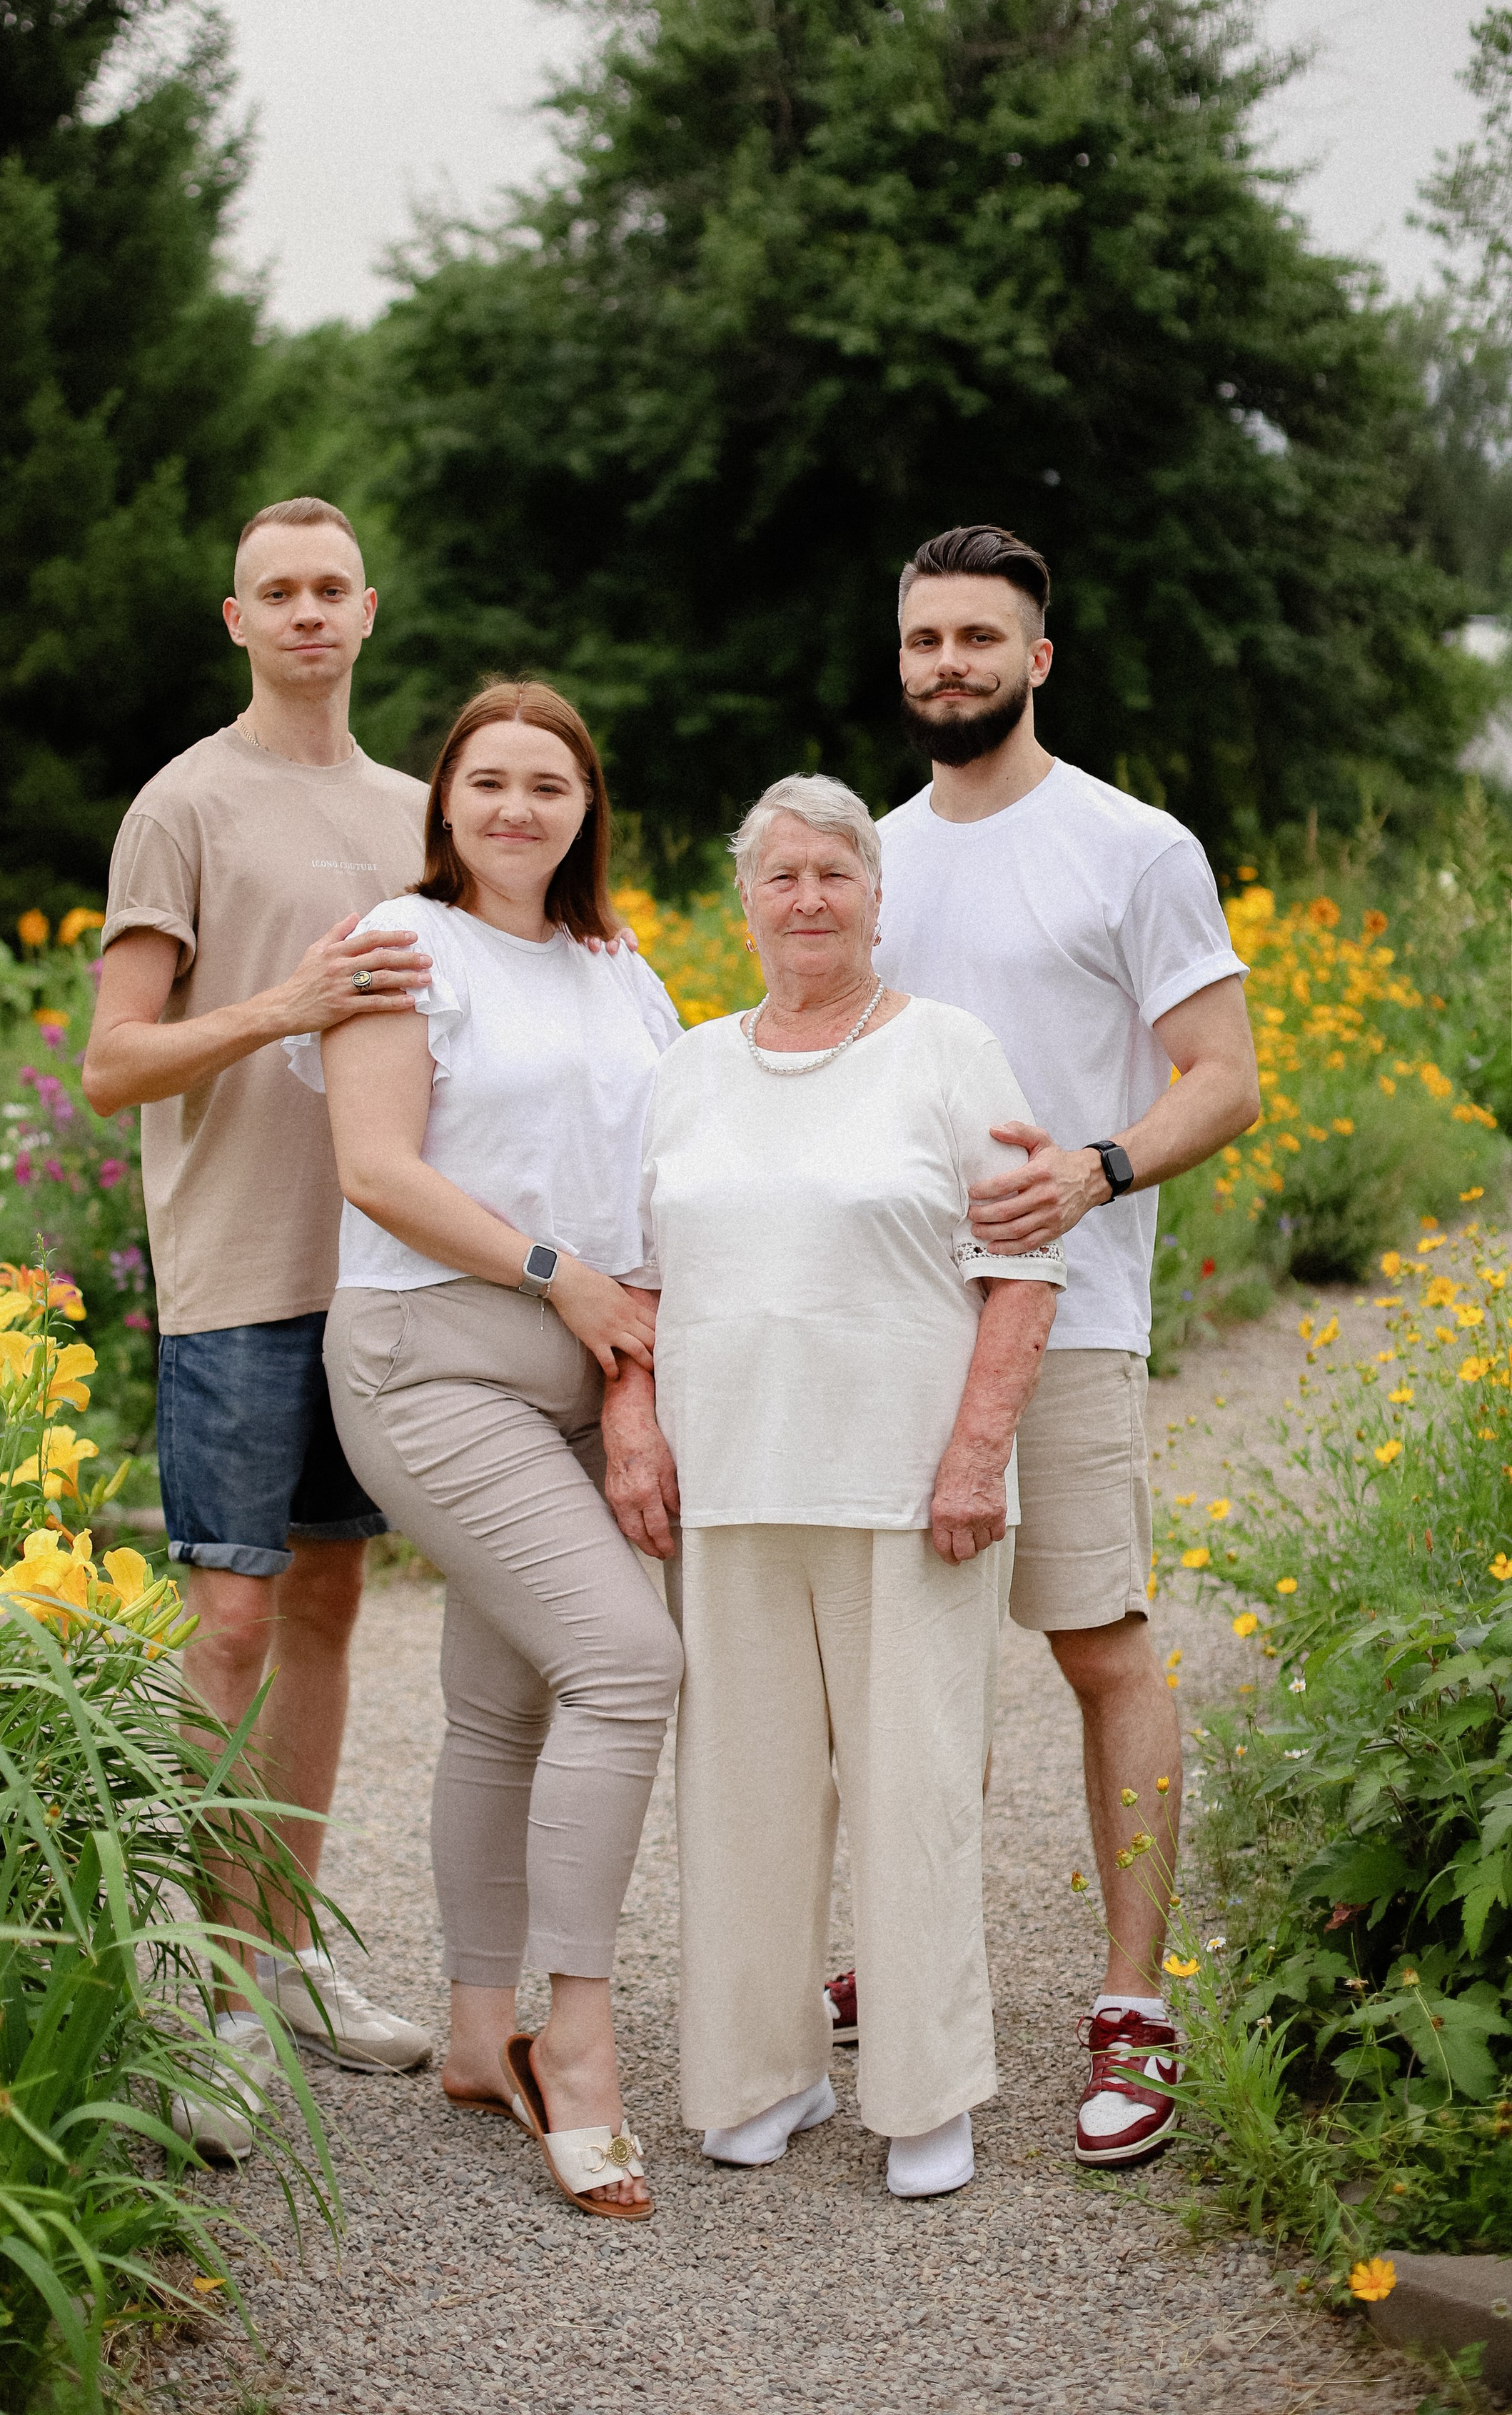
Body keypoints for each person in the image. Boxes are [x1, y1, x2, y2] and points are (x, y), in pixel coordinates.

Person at [830, 523, 1261, 2169]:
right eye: (922, 638)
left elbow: (1218, 1074)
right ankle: (918, 1957)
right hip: (887, 1316)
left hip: (1069, 1314)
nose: (947, 663)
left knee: (1096, 1648)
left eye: (976, 639)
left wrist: (1093, 1168)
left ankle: (1131, 2007)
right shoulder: (867, 851)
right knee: (901, 1656)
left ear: (1037, 659)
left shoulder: (1131, 847)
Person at [603, 774, 1063, 2199]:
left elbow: (1022, 1269)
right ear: (743, 902)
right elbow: (637, 1276)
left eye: (833, 874)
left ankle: (927, 2095)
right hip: (728, 1480)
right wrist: (633, 1426)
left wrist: (978, 1450)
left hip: (907, 1486)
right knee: (738, 1797)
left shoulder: (949, 1052)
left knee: (910, 1786)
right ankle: (762, 2074)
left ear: (875, 895)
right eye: (779, 875)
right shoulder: (686, 1064)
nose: (806, 898)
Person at [290, 680, 685, 2224]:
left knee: (499, 1702)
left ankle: (471, 2031)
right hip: (430, 1361)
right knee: (626, 1664)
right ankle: (570, 2043)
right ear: (442, 803)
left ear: (586, 807)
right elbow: (377, 1169)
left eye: (549, 783)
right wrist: (555, 1277)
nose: (517, 807)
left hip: (585, 1373)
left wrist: (627, 1364)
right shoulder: (406, 948)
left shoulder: (617, 963)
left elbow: (655, 1187)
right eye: (487, 782)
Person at [84, 493, 437, 2156]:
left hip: (383, 1277)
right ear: (236, 621)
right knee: (223, 1629)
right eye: (272, 593)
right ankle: (219, 2004)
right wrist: (286, 1006)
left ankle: (290, 1961)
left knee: (327, 1607)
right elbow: (114, 1062)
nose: (304, 614)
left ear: (368, 613)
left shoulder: (422, 809)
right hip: (236, 1279)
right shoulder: (181, 806)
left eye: (327, 590)